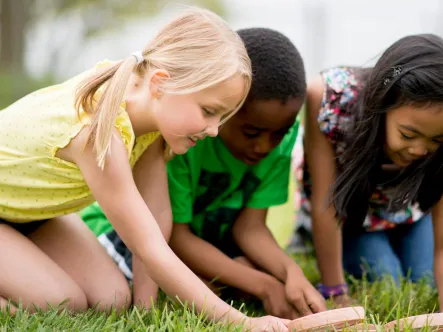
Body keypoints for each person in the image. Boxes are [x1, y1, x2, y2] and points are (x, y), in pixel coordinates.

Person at [0, 7, 291, 331]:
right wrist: (242, 323)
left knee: (112, 298)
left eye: (221, 117)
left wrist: (146, 310)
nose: (214, 130)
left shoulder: (149, 117)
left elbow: (155, 217)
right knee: (62, 302)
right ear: (160, 83)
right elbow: (148, 247)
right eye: (209, 111)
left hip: (31, 214)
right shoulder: (100, 132)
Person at [82, 27, 326, 319]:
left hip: (204, 239)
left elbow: (250, 228)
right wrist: (264, 285)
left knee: (246, 270)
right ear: (227, 109)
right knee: (236, 279)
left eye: (280, 134)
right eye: (251, 132)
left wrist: (290, 273)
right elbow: (172, 237)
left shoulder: (281, 139)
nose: (264, 146)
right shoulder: (186, 137)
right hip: (133, 235)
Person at [287, 34, 443, 308]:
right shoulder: (330, 101)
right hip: (352, 217)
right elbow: (328, 200)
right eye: (408, 135)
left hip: (409, 213)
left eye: (437, 141)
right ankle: (305, 237)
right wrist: (335, 290)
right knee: (387, 280)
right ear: (382, 106)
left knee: (425, 280)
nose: (420, 151)